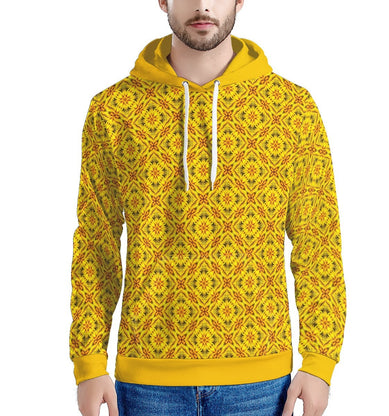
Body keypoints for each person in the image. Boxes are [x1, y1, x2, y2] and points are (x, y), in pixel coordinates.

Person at [69, 1, 347, 415]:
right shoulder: (113, 110)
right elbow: (96, 242)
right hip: (147, 381)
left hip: (261, 384)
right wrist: (89, 362)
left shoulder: (292, 108)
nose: (202, 4)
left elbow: (318, 240)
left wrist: (320, 361)